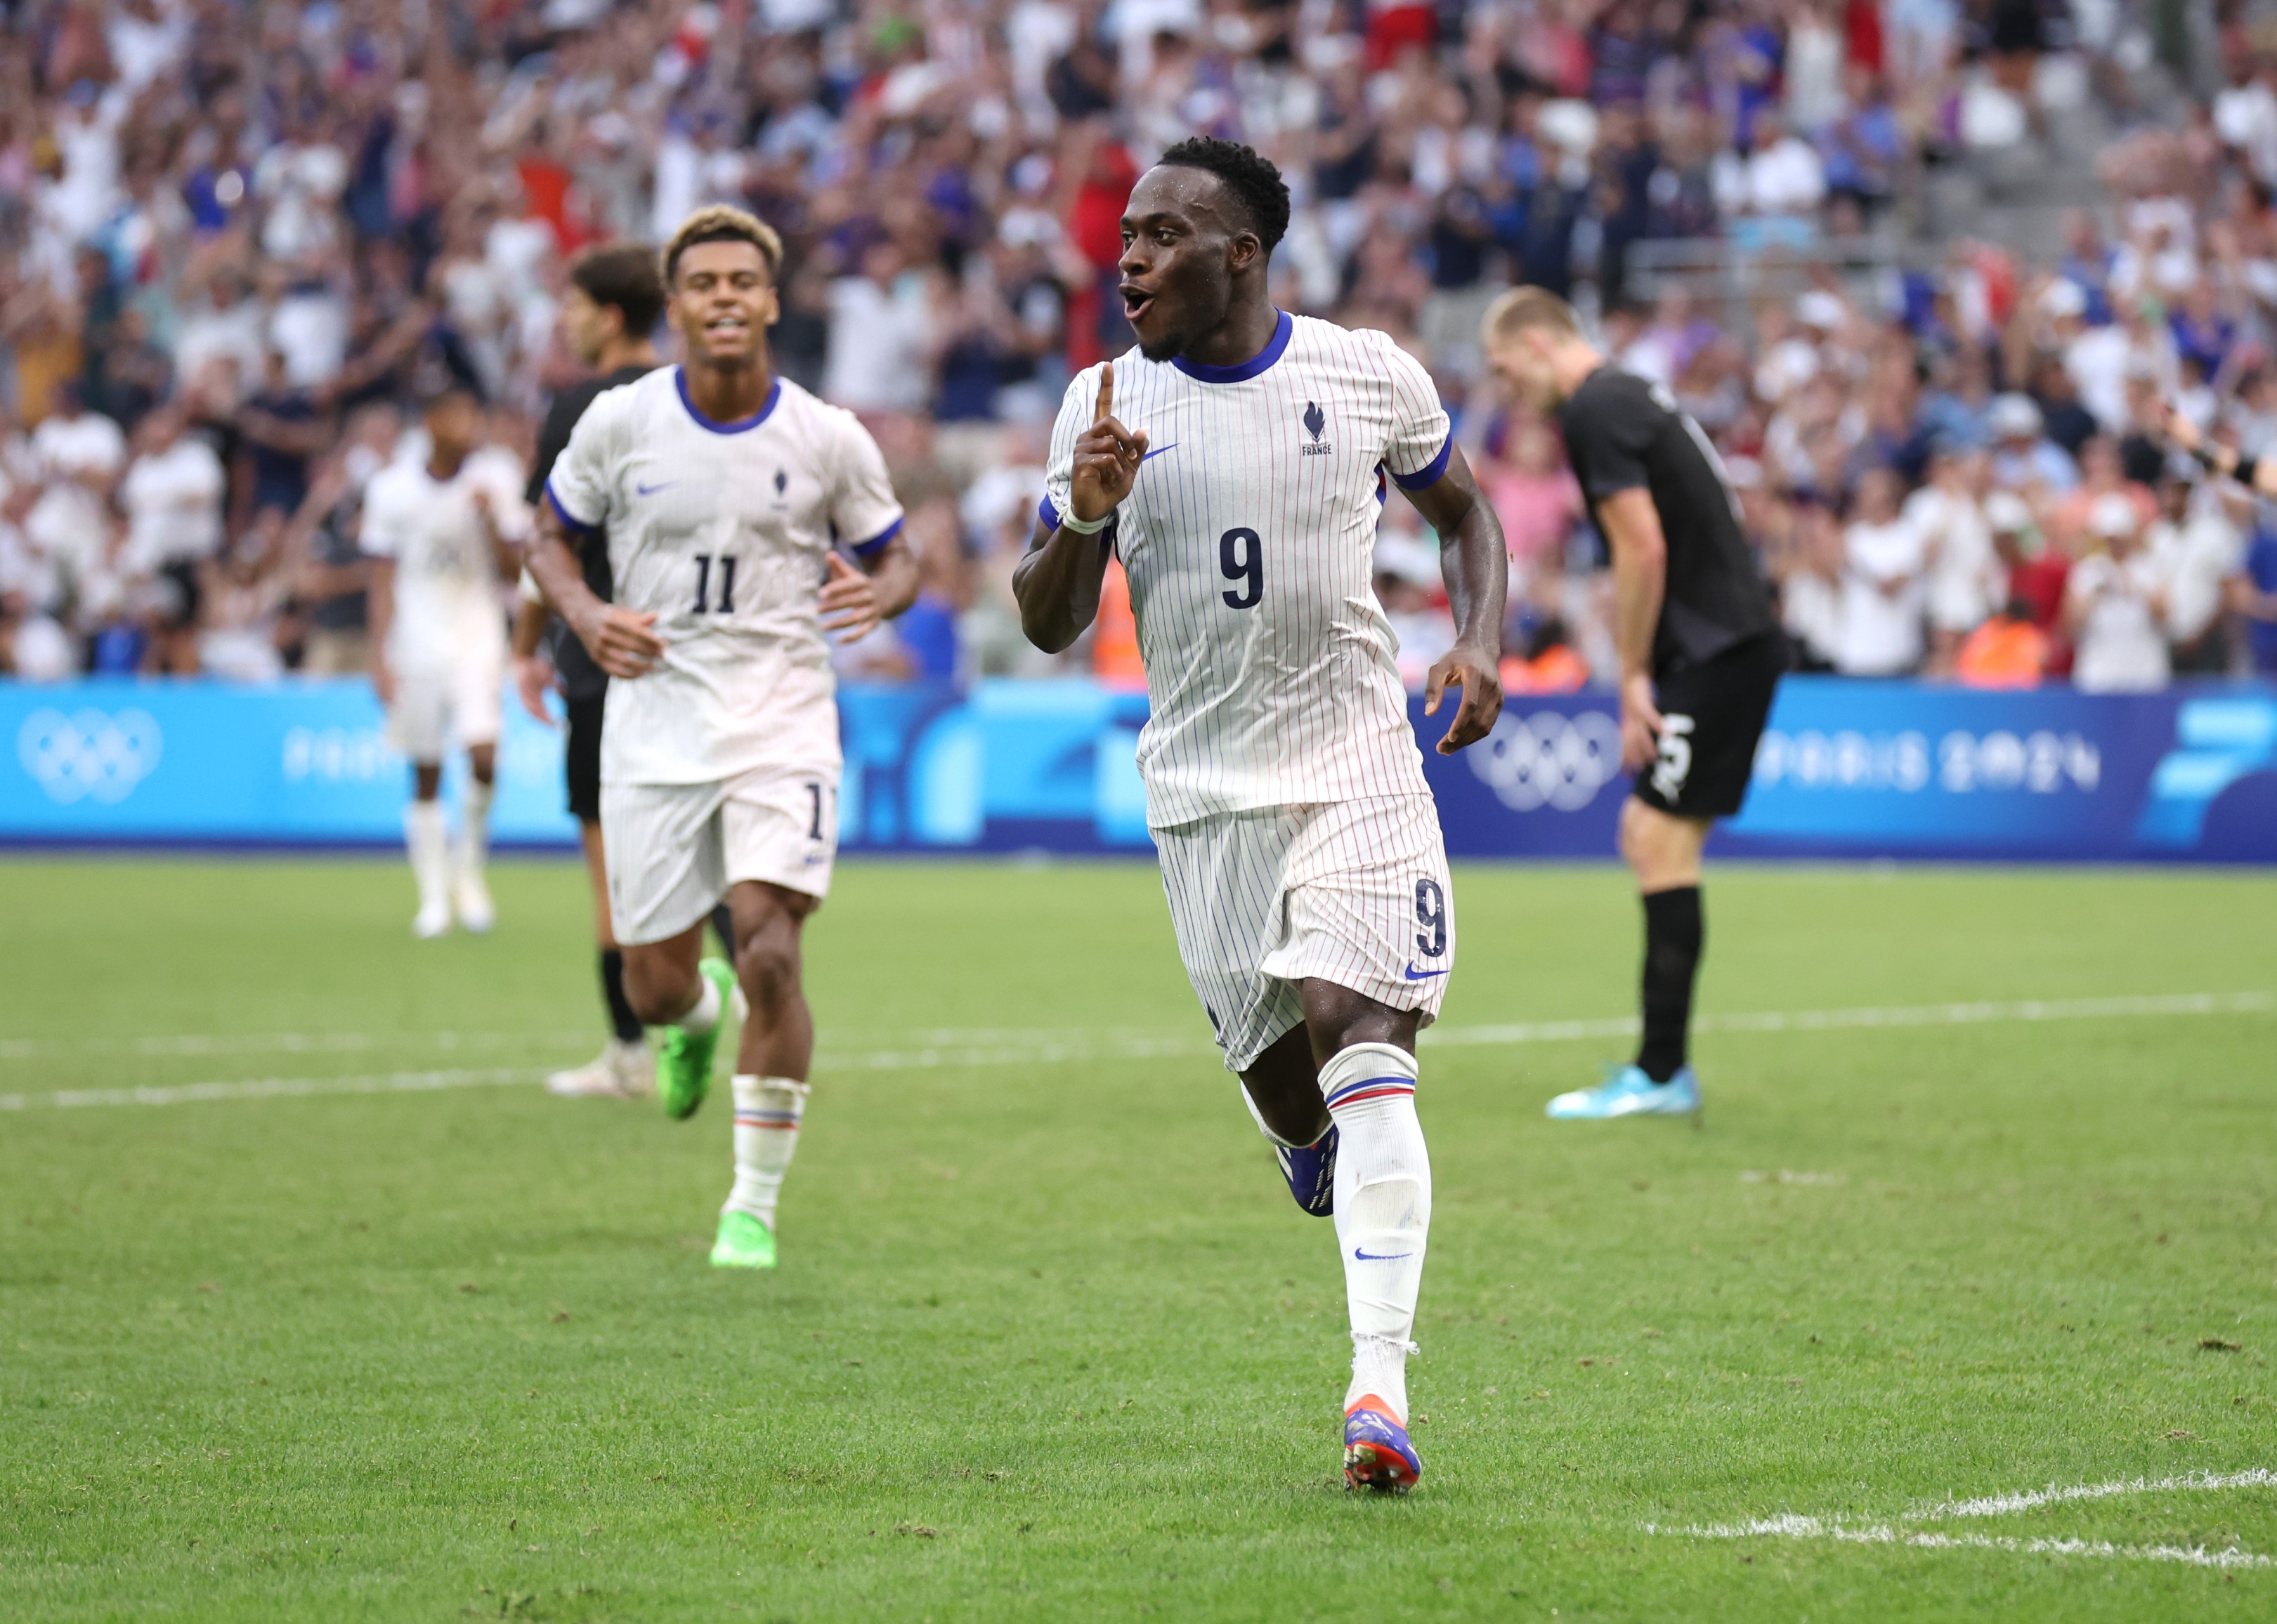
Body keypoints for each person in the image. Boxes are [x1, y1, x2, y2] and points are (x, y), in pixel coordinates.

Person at [1010, 138, 1508, 1493]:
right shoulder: (1100, 402)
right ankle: (1305, 1148)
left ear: (1240, 253)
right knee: (1301, 1102)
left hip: (1358, 765)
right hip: (1204, 800)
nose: (1128, 260)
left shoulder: (1362, 373)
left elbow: (1467, 513)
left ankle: (1379, 1392)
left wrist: (1478, 637)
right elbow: (1046, 621)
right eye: (1124, 236)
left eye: (1162, 235)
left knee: (1362, 1038)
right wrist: (1079, 512)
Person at [526, 206, 919, 1271]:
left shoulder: (827, 435)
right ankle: (689, 1027)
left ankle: (751, 1208)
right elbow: (548, 537)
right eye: (704, 285)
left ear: (773, 299)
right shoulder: (618, 422)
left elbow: (900, 555)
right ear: (675, 307)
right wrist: (582, 612)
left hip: (783, 715)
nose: (726, 298)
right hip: (654, 723)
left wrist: (879, 597)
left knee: (771, 949)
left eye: (745, 281)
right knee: (656, 982)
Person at [1481, 284, 1785, 1123]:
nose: (1509, 392)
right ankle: (1661, 1067)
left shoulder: (1595, 409)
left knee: (1656, 837)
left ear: (1539, 344)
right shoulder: (1631, 393)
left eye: (1507, 371)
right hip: (1729, 642)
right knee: (1651, 835)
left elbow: (1640, 545)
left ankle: (1660, 1073)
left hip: (1714, 649)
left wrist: (1637, 674)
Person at [504, 243, 698, 1101]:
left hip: (601, 657)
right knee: (716, 857)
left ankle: (629, 1052)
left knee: (609, 865)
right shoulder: (693, 398)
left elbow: (545, 547)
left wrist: (524, 645)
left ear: (610, 316)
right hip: (693, 653)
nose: (565, 321)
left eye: (574, 307)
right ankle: (761, 1021)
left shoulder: (577, 407)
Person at [361, 383, 529, 938]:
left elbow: (513, 573)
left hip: (477, 637)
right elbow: (381, 577)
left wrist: (489, 520)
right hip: (417, 643)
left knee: (484, 757)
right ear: (430, 422)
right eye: (456, 413)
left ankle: (468, 869)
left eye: (472, 412)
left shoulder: (497, 478)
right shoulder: (392, 489)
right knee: (426, 770)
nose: (468, 423)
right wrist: (380, 654)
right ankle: (432, 895)